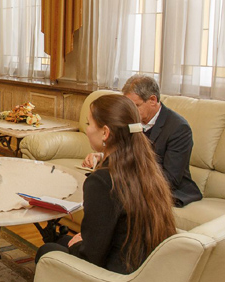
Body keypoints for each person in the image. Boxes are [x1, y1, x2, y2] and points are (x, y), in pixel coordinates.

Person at [37, 95, 177, 274]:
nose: (86, 130)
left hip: (114, 280)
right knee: (62, 241)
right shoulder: (147, 168)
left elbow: (90, 257)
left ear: (105, 132)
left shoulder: (102, 181)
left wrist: (81, 243)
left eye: (89, 124)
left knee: (46, 252)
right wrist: (83, 240)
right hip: (144, 271)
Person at [83, 75, 202, 207]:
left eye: (135, 106)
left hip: (164, 189)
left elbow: (170, 179)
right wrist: (103, 156)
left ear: (152, 100)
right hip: (133, 181)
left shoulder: (178, 128)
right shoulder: (130, 120)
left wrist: (128, 182)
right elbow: (125, 150)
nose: (130, 111)